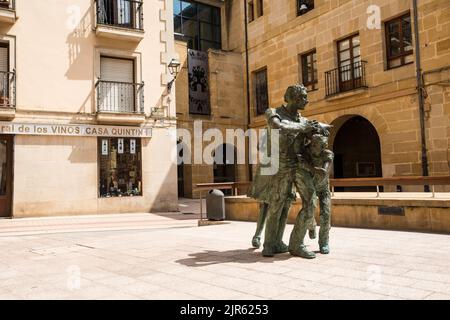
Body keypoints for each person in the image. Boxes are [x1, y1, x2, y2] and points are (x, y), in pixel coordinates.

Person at [254, 84, 319, 257]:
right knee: (277, 204)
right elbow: (277, 126)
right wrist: (303, 128)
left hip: (298, 165)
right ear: (293, 98)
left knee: (311, 201)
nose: (307, 100)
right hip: (280, 166)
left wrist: (318, 132)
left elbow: (311, 138)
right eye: (304, 97)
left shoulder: (303, 120)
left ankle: (296, 244)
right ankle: (270, 243)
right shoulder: (273, 112)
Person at [298, 131, 334, 254]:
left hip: (323, 189)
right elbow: (299, 163)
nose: (313, 147)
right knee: (309, 211)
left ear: (323, 146)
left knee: (326, 214)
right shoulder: (306, 152)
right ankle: (311, 226)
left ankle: (324, 242)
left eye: (316, 145)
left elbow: (324, 171)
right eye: (312, 144)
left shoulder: (328, 154)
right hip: (310, 187)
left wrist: (310, 167)